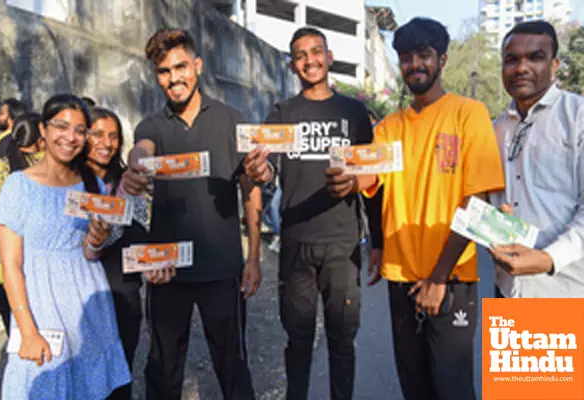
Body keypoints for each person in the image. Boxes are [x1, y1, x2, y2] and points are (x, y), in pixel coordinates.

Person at [325, 17, 505, 400]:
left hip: (452, 275)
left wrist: (439, 279)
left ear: (441, 58)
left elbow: (477, 203)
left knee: (452, 387)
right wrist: (346, 179)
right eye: (406, 57)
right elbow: (367, 177)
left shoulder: (468, 114)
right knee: (415, 386)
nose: (414, 64)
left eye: (423, 55)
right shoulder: (390, 126)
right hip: (402, 274)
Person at [121, 29, 261, 400]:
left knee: (232, 364)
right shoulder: (151, 125)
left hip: (222, 268)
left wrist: (255, 258)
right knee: (163, 368)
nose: (173, 78)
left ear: (197, 65)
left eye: (180, 66)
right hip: (167, 269)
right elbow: (141, 150)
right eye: (163, 71)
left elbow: (251, 190)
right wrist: (138, 164)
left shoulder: (232, 120)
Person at [244, 27, 373, 400]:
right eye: (300, 55)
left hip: (343, 242)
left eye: (316, 52)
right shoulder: (282, 113)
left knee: (342, 340)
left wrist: (377, 242)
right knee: (297, 339)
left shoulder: (353, 112)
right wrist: (258, 171)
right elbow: (268, 173)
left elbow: (371, 175)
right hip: (297, 241)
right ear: (291, 65)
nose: (309, 60)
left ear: (329, 57)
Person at [0, 93, 130, 398]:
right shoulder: (18, 186)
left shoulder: (89, 183)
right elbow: (11, 264)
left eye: (80, 130)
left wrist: (96, 239)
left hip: (90, 314)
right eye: (61, 127)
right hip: (41, 311)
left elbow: (91, 253)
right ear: (43, 129)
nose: (71, 137)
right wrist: (27, 331)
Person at [489, 21, 584, 298]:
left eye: (535, 57)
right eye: (511, 59)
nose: (521, 68)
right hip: (507, 287)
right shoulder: (497, 128)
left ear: (554, 65)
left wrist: (547, 258)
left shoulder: (577, 117)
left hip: (564, 289)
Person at [86, 106, 143, 399]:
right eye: (97, 134)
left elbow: (145, 230)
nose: (106, 143)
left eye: (113, 136)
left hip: (122, 291)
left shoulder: (128, 182)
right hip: (82, 296)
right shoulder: (67, 182)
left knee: (120, 375)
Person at [0, 113, 45, 335]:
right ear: (42, 139)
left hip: (3, 268)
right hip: (30, 268)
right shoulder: (47, 168)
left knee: (18, 338)